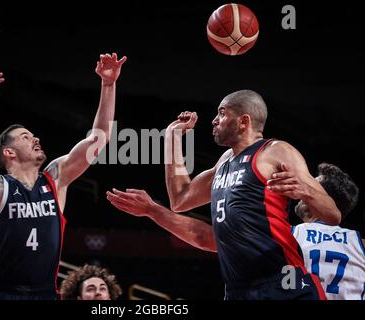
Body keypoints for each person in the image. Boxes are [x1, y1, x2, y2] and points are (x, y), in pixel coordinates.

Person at [0, 53, 127, 300]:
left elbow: (99, 139)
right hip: (0, 294)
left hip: (44, 295)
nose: (35, 139)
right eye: (25, 137)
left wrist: (108, 85)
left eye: (33, 136)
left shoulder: (56, 178)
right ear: (9, 152)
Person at [107, 89, 341, 300]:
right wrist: (172, 139)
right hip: (238, 290)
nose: (214, 120)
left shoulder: (276, 151)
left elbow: (332, 215)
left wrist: (306, 191)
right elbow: (180, 199)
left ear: (243, 121)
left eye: (222, 113)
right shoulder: (224, 162)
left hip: (283, 283)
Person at [292, 163, 365, 300]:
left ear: (324, 199)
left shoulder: (287, 235)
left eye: (311, 187)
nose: (304, 190)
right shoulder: (360, 244)